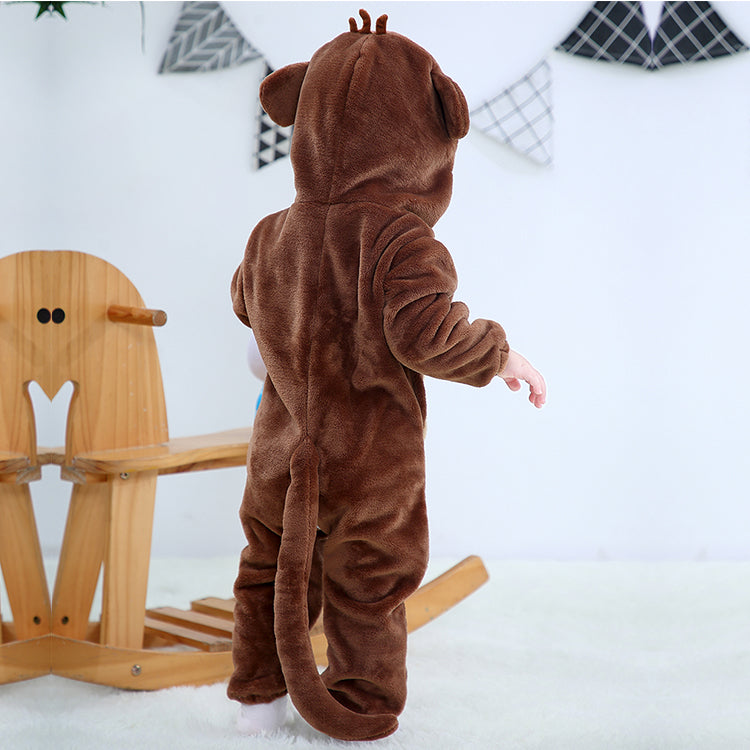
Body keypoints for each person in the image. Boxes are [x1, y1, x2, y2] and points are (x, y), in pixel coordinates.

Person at [227, 10, 546, 741]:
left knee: (268, 566)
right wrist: (500, 355)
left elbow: (248, 309)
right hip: (370, 460)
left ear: (305, 121)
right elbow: (424, 334)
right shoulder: (402, 239)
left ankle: (255, 704)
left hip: (278, 453)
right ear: (429, 136)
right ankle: (362, 706)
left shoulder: (269, 234)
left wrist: (275, 353)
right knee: (368, 579)